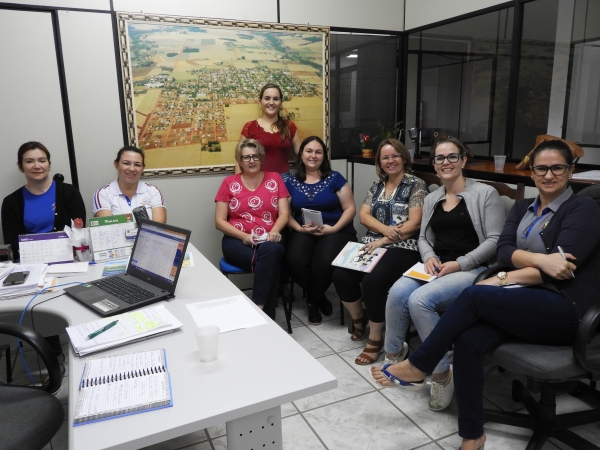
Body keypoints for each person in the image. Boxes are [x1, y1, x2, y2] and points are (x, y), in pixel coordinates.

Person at [371, 140, 600, 450]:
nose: (548, 175)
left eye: (557, 168)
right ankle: (473, 434)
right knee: (468, 341)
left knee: (474, 295)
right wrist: (537, 260)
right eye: (541, 169)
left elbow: (561, 270)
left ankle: (420, 364)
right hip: (523, 299)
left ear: (570, 170)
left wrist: (503, 277)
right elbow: (504, 250)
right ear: (532, 173)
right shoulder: (522, 207)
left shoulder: (582, 208)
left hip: (566, 308)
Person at [383, 135, 505, 412]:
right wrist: (429, 257)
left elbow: (495, 240)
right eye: (440, 158)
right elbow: (424, 238)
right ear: (434, 164)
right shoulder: (433, 197)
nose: (446, 162)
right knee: (398, 292)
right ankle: (394, 356)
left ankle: (441, 373)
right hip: (438, 265)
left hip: (473, 268)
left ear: (463, 160)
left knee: (420, 300)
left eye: (452, 157)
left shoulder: (485, 193)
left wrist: (460, 263)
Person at [332, 139, 428, 365]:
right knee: (341, 275)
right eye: (385, 157)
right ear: (380, 162)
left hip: (404, 246)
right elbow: (363, 216)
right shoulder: (377, 186)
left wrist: (385, 239)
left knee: (373, 281)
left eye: (395, 156)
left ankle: (375, 337)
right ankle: (359, 317)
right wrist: (384, 231)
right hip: (373, 243)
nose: (390, 161)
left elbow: (414, 223)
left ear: (403, 158)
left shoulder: (416, 185)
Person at [1, 141, 86, 380]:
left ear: (49, 164)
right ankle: (55, 360)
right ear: (21, 167)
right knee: (39, 309)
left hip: (69, 262)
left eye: (42, 160)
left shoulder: (68, 192)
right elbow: (13, 243)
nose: (37, 165)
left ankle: (86, 348)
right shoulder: (11, 202)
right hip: (34, 266)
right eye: (29, 161)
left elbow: (79, 231)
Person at [283, 136, 357, 326]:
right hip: (304, 230)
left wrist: (334, 229)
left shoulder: (335, 178)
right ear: (301, 154)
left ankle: (312, 302)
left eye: (318, 152)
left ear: (324, 156)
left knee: (323, 261)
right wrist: (299, 229)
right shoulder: (291, 182)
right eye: (309, 151)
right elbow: (285, 214)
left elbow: (350, 208)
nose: (313, 156)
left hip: (336, 229)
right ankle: (319, 296)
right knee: (293, 259)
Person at [215, 138, 290, 319]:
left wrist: (275, 230)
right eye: (246, 157)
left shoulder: (275, 179)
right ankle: (266, 316)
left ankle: (259, 309)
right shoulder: (228, 182)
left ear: (261, 159)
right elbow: (219, 222)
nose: (251, 161)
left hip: (270, 240)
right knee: (270, 262)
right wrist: (243, 236)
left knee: (270, 253)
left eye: (255, 156)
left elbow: (284, 213)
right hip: (236, 241)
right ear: (239, 161)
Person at [92, 145, 166, 223]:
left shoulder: (153, 191)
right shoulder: (102, 194)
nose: (132, 169)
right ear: (116, 165)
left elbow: (158, 226)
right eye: (126, 163)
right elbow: (108, 227)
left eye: (137, 165)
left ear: (143, 168)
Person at [239, 83, 301, 174]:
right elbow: (239, 159)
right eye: (267, 98)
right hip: (257, 179)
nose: (271, 102)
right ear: (260, 102)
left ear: (281, 103)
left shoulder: (289, 126)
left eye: (276, 99)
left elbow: (302, 155)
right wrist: (237, 182)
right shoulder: (249, 127)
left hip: (284, 179)